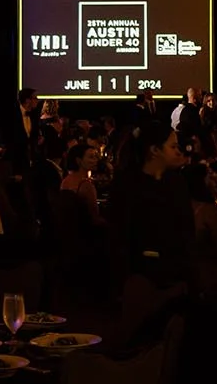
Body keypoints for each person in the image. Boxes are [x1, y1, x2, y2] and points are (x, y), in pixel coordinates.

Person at [108, 121, 194, 290]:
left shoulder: (176, 182)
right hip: (140, 277)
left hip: (174, 275)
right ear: (155, 150)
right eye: (173, 147)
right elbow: (121, 235)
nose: (178, 152)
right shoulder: (128, 185)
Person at [59, 141, 103, 224]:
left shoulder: (65, 180)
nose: (96, 160)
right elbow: (95, 217)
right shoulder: (85, 185)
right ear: (79, 160)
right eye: (91, 157)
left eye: (95, 157)